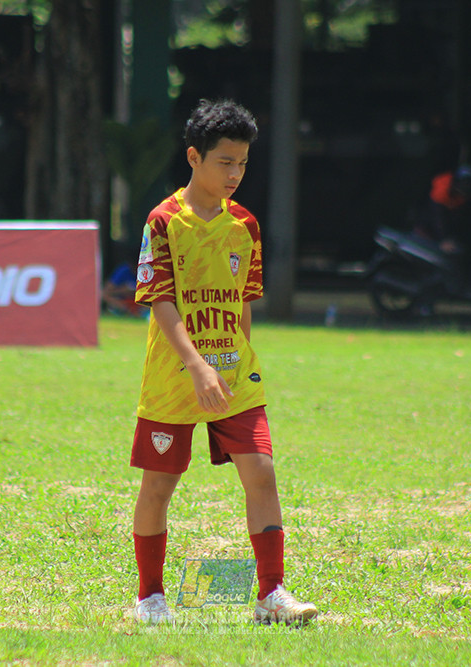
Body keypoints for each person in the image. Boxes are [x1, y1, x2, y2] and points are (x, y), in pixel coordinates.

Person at [130, 99, 318, 626]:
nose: (235, 174)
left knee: (261, 471)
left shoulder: (246, 227)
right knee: (159, 485)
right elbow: (160, 299)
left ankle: (271, 595)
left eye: (243, 164)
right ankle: (149, 597)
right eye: (224, 162)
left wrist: (236, 364)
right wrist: (195, 364)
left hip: (234, 373)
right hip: (174, 375)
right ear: (194, 157)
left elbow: (242, 303)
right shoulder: (164, 220)